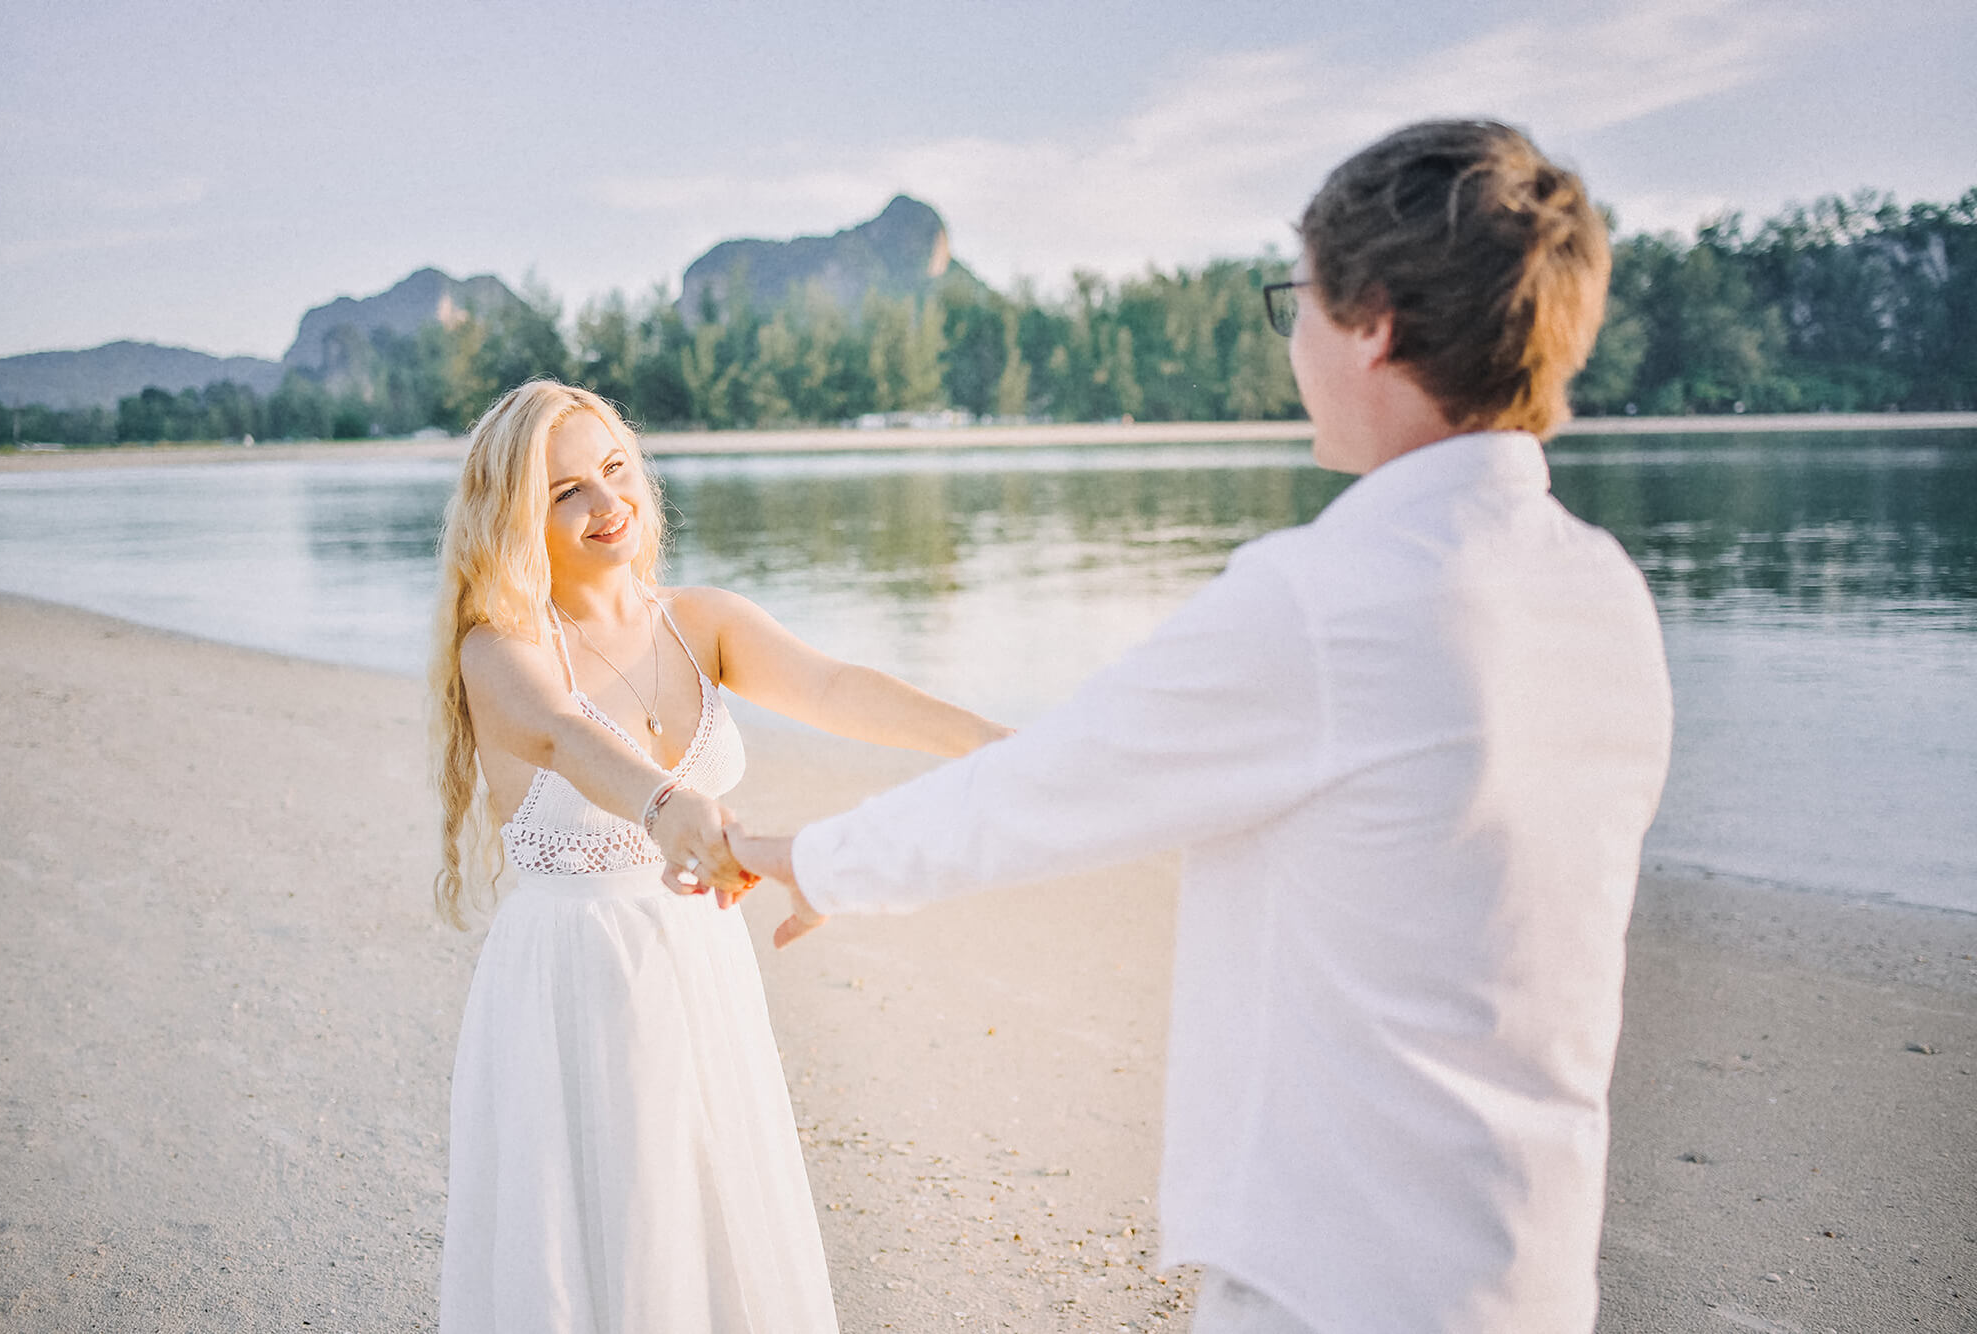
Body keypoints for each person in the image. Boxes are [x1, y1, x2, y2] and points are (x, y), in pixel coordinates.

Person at [734, 120, 1676, 1333]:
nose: (1290, 343)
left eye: (1298, 304)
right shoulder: (1601, 588)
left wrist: (806, 856)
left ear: (1373, 321)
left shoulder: (1330, 598)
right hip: (1529, 1259)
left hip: (1339, 1272)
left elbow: (1052, 788)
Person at [425, 380, 1008, 1333]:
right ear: (516, 512)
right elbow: (570, 738)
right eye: (565, 489)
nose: (606, 504)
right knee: (602, 1240)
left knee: (712, 1225)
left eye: (614, 470)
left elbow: (835, 688)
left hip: (698, 960)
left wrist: (990, 742)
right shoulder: (500, 651)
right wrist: (671, 806)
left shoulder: (700, 623)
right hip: (574, 976)